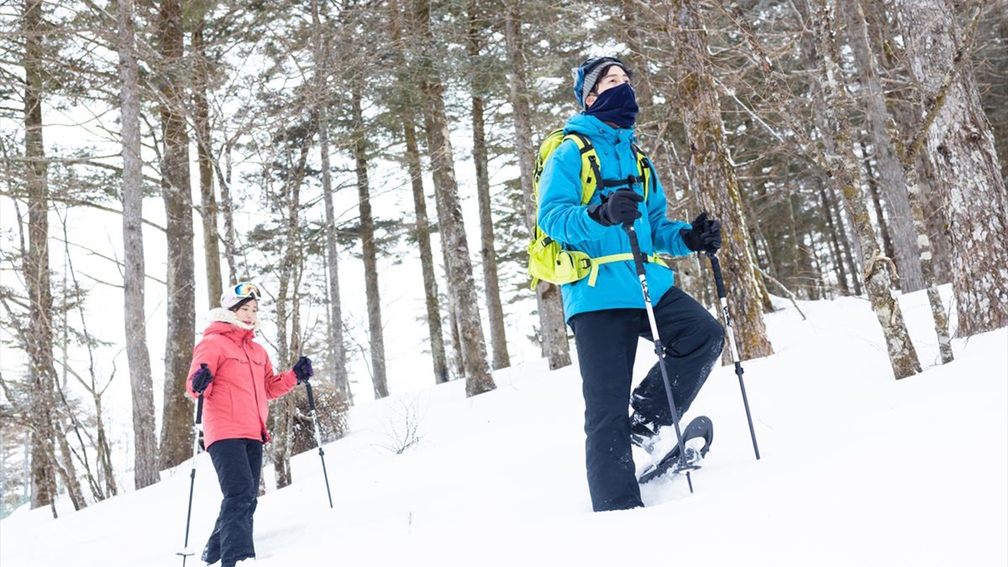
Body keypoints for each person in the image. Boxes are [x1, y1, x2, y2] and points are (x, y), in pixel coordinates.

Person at [537, 56, 726, 512]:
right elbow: (552, 218)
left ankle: (646, 422)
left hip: (647, 284)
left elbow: (655, 224)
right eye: (612, 81)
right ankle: (618, 511)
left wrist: (688, 237)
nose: (625, 87)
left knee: (704, 334)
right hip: (595, 292)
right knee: (605, 410)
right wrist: (598, 214)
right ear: (590, 96)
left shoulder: (639, 158)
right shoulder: (570, 152)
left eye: (627, 79)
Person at [186, 282, 314, 567]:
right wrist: (199, 382)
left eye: (254, 309)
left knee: (247, 497)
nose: (250, 315)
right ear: (230, 310)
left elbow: (269, 388)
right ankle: (238, 559)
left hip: (253, 432)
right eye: (244, 309)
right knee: (239, 494)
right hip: (224, 431)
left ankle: (213, 553)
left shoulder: (257, 351)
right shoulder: (212, 342)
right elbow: (195, 385)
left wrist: (295, 374)